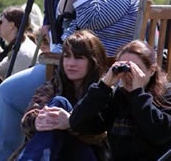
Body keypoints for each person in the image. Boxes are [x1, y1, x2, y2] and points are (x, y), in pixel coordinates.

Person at [0, 0, 142, 160]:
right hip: (75, 65)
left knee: (8, 92)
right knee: (10, 92)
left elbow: (89, 20)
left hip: (98, 72)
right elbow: (63, 18)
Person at [36, 40, 171, 161]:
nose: (129, 75)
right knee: (59, 106)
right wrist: (104, 85)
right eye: (125, 68)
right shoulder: (118, 96)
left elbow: (159, 134)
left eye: (136, 69)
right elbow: (78, 123)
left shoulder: (166, 95)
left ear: (152, 70)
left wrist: (138, 94)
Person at [8, 29, 108, 161]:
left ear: (93, 61)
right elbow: (29, 116)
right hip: (54, 151)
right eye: (66, 56)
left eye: (78, 58)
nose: (70, 63)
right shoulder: (54, 85)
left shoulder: (104, 91)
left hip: (89, 153)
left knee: (61, 106)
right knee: (57, 105)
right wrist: (36, 121)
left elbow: (101, 134)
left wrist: (70, 122)